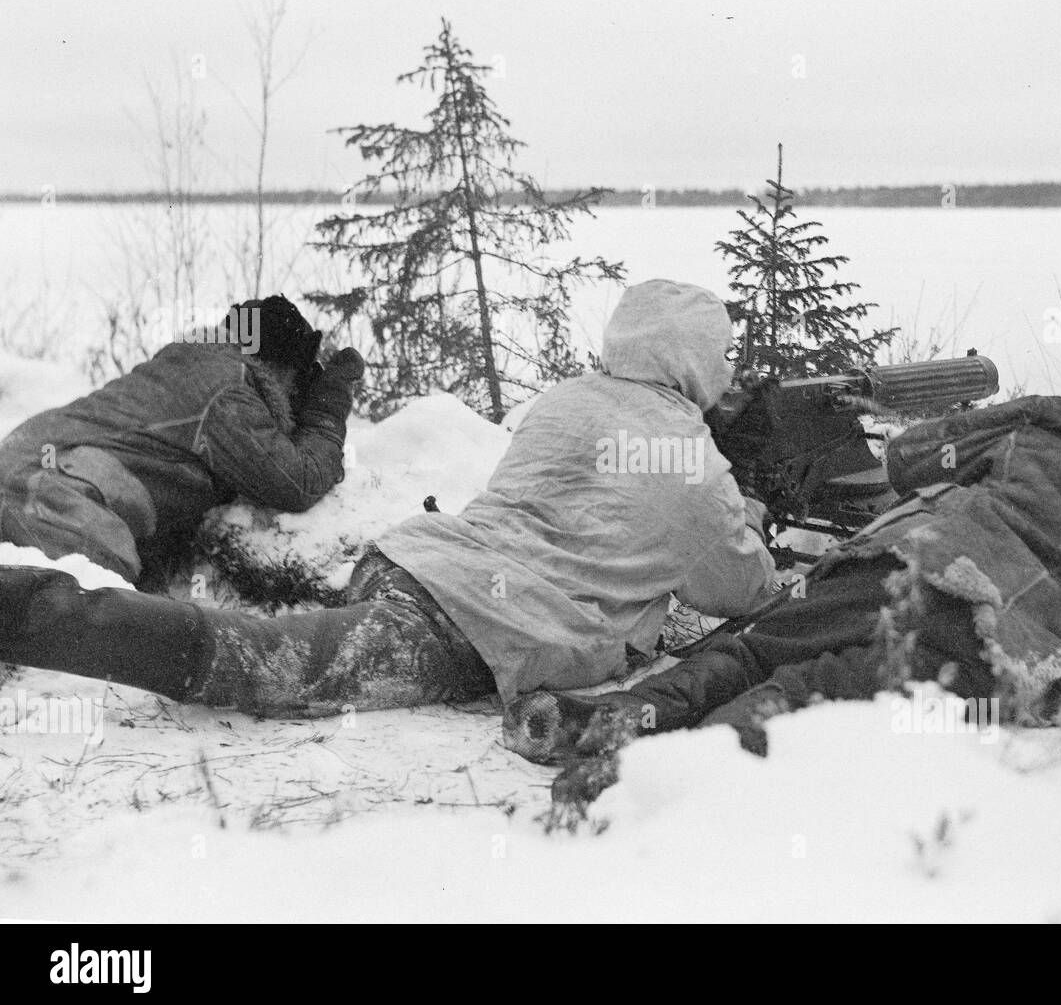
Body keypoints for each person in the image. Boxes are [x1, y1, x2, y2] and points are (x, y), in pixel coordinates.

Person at [0, 279, 775, 718]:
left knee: (292, 641)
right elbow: (742, 588)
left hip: (410, 561)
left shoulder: (568, 398)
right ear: (697, 361)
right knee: (270, 663)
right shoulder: (689, 459)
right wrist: (745, 521)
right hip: (480, 623)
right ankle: (41, 613)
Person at [505, 352, 1061, 770]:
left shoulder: (1051, 419)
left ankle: (619, 725)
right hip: (1007, 665)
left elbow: (910, 459)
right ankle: (675, 778)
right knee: (817, 691)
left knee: (758, 650)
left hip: (914, 571)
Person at [0, 295, 359, 587]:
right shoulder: (229, 392)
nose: (295, 395)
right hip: (51, 492)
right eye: (297, 382)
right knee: (96, 648)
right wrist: (327, 407)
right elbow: (296, 483)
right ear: (280, 370)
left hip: (26, 472)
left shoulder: (195, 363)